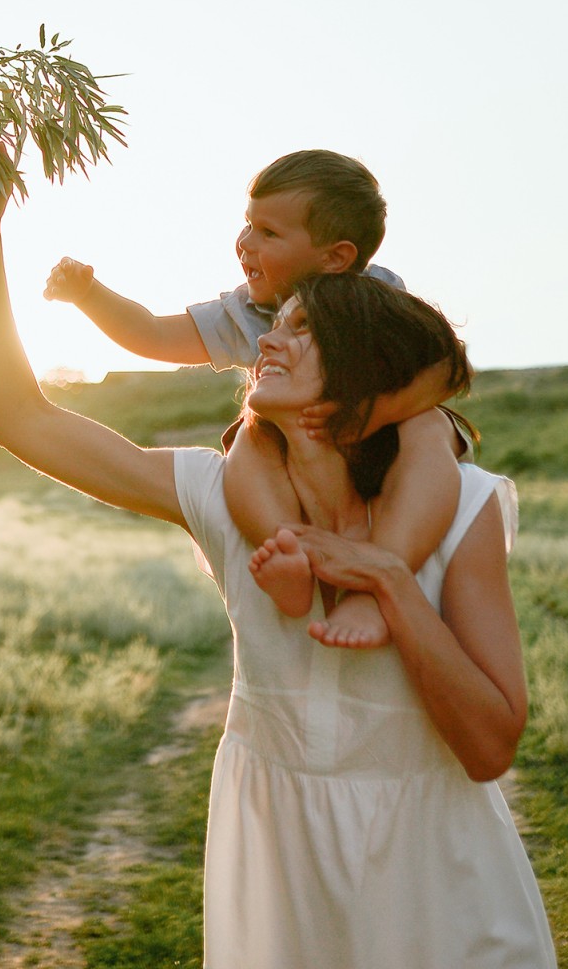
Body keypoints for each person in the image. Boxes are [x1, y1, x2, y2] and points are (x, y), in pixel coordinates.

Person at [0, 160, 557, 969]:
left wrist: (392, 586)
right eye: (278, 323)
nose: (266, 338)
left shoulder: (462, 507)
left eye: (302, 331)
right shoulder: (217, 490)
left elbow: (489, 749)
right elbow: (17, 417)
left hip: (440, 878)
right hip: (281, 872)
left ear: (362, 366)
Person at [43, 148, 463, 647]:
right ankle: (287, 552)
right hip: (294, 450)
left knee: (429, 428)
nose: (245, 243)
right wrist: (89, 294)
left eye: (269, 233)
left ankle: (379, 579)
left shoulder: (377, 295)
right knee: (248, 436)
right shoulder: (248, 311)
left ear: (336, 257)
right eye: (248, 224)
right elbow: (152, 334)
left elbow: (446, 364)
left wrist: (378, 413)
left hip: (382, 443)